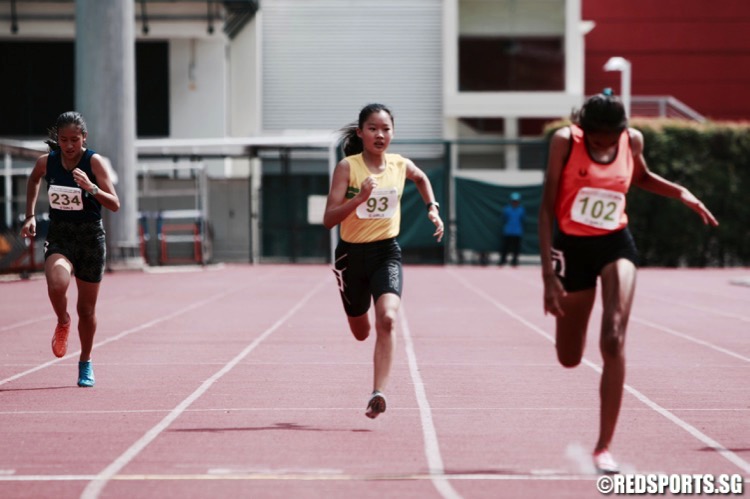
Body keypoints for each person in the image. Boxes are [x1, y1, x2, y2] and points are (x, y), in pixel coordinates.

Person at [538, 91, 718, 473]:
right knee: (569, 357)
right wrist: (549, 276)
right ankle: (570, 319)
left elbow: (642, 177)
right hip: (572, 248)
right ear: (584, 130)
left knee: (614, 336)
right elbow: (546, 207)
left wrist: (682, 193)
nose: (604, 145)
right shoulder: (565, 142)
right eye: (596, 139)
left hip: (616, 244)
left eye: (609, 138)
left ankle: (603, 447)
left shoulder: (632, 140)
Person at [323, 103, 444, 419]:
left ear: (393, 133)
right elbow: (328, 219)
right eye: (373, 128)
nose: (380, 134)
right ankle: (356, 312)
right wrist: (359, 198)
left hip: (386, 252)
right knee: (361, 332)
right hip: (351, 256)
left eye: (386, 129)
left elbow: (421, 178)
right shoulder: (347, 168)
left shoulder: (399, 164)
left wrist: (432, 207)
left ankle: (378, 393)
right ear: (361, 132)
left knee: (388, 319)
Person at [20, 111, 120, 387]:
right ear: (58, 140)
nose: (69, 145)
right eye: (63, 140)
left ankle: (85, 362)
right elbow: (33, 178)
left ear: (84, 138)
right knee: (57, 283)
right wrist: (29, 215)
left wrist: (91, 188)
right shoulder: (48, 162)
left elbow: (114, 203)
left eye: (74, 139)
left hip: (90, 238)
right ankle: (63, 320)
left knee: (86, 310)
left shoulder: (93, 162)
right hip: (61, 235)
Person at [499, 191, 525, 266]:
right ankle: (503, 260)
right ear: (511, 201)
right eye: (513, 201)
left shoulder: (521, 210)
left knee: (516, 248)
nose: (515, 202)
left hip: (517, 232)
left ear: (519, 201)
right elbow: (504, 218)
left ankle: (514, 261)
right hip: (508, 231)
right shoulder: (507, 209)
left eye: (516, 201)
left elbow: (522, 219)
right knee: (505, 247)